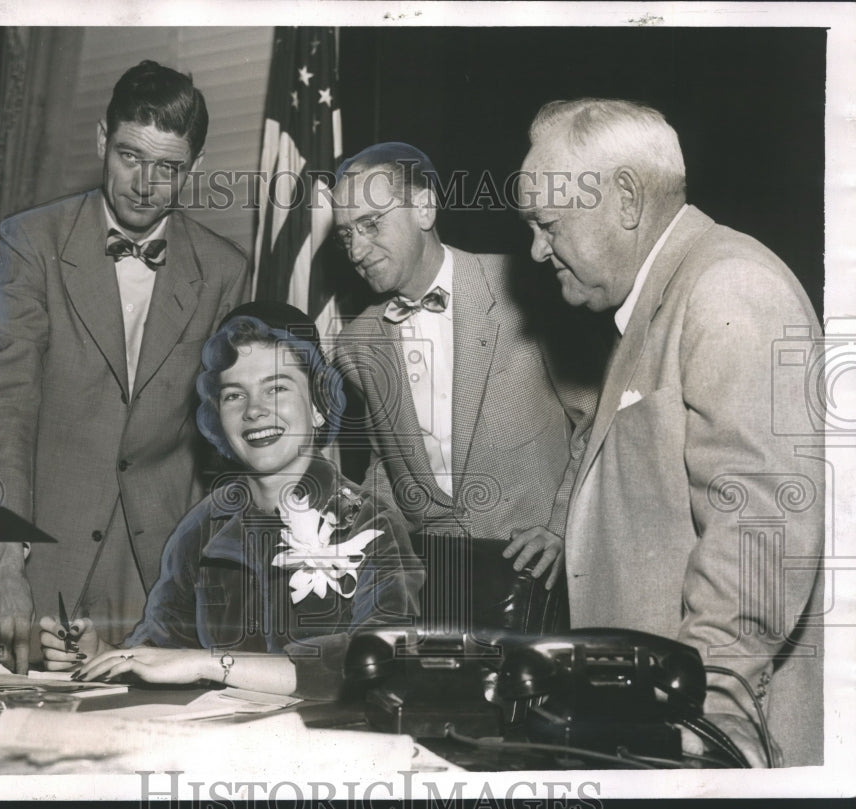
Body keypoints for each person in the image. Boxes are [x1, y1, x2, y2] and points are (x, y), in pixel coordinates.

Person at [517, 98, 824, 767]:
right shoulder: (652, 304)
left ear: (625, 198)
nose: (538, 250)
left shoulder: (728, 286)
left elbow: (763, 533)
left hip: (704, 740)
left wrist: (708, 719)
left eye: (548, 224)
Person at [0, 60, 248, 673]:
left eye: (168, 167)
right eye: (129, 156)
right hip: (39, 563)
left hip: (159, 577)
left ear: (192, 169)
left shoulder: (225, 270)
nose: (145, 184)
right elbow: (1, 408)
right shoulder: (31, 242)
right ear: (101, 140)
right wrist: (2, 561)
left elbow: (224, 446)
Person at [38, 303, 423, 698]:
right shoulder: (202, 525)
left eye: (277, 388)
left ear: (319, 406)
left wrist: (212, 664)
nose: (255, 410)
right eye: (234, 395)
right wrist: (104, 656)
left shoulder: (371, 523)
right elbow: (163, 649)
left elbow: (381, 657)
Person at [331, 143, 598, 615]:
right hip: (432, 585)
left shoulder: (525, 289)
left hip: (542, 580)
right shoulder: (357, 342)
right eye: (346, 234)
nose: (356, 249)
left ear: (425, 208)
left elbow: (597, 422)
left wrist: (563, 528)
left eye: (372, 223)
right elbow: (386, 466)